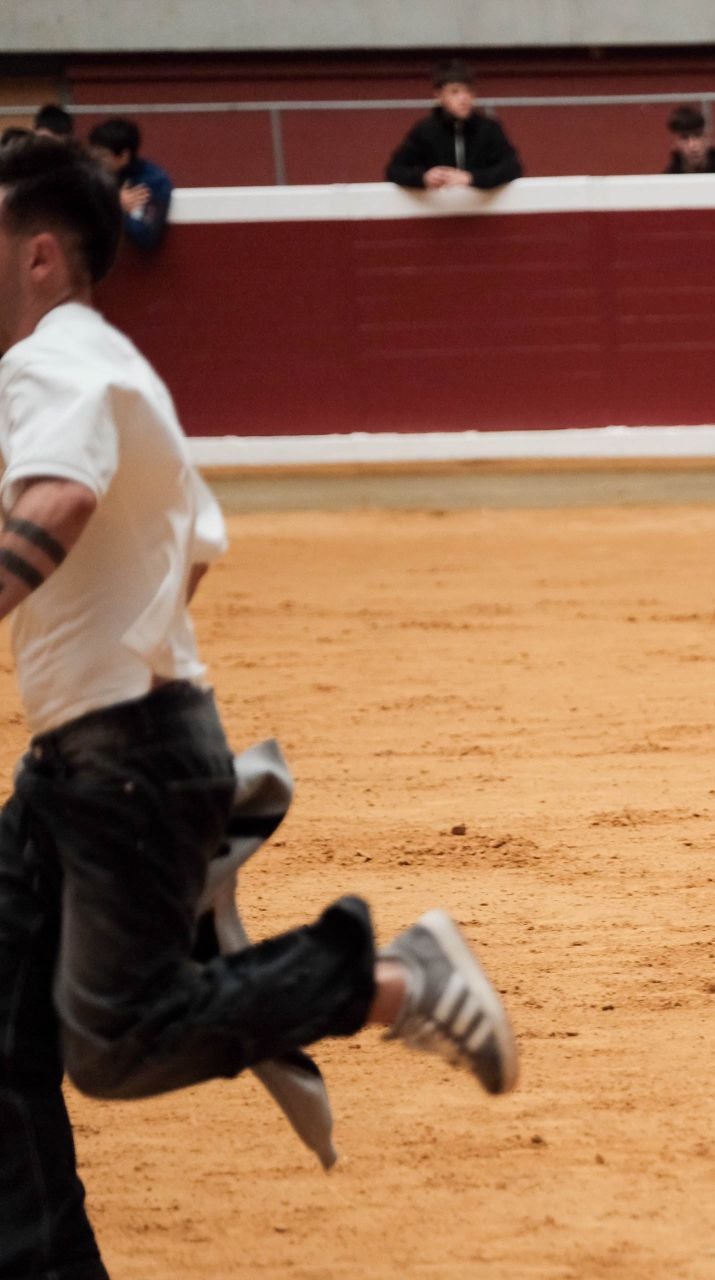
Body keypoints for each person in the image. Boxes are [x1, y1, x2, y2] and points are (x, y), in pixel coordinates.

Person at [0, 136, 518, 1280]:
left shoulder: (46, 367)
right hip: (110, 750)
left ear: (39, 255)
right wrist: (127, 661)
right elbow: (196, 549)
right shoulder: (119, 366)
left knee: (119, 1040)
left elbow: (63, 495)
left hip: (120, 759)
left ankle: (386, 979)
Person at [385, 59, 523, 191]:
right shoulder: (424, 130)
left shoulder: (489, 128)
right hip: (436, 210)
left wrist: (472, 179)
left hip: (481, 210)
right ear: (439, 96)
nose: (464, 98)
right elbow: (394, 170)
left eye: (468, 91)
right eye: (455, 92)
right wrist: (423, 178)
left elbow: (512, 167)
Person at [86, 117, 172, 252]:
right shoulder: (89, 174)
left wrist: (118, 210)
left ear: (124, 156)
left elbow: (147, 238)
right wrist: (114, 203)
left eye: (102, 155)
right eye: (93, 153)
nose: (95, 160)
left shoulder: (153, 182)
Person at [664, 105, 715, 174]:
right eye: (684, 138)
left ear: (709, 139)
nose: (693, 145)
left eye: (698, 136)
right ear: (674, 144)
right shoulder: (666, 180)